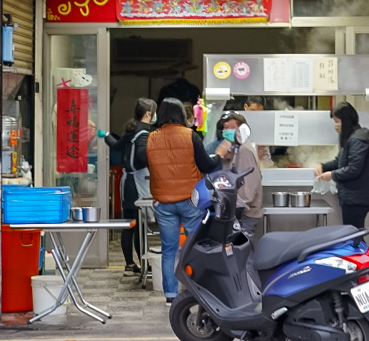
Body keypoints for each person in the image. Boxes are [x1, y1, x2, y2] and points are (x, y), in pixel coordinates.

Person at [146, 97, 227, 304]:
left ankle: (171, 295)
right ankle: (196, 289)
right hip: (190, 201)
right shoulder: (190, 136)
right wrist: (218, 154)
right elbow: (207, 165)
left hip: (163, 201)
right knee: (194, 247)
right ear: (181, 115)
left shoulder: (151, 138)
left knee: (169, 249)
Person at [103, 98, 155, 275]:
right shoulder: (145, 133)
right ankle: (143, 264)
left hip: (128, 183)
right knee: (139, 225)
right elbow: (142, 156)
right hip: (138, 183)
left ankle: (130, 264)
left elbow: (116, 146)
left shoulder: (131, 129)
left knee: (129, 224)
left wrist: (106, 136)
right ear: (148, 114)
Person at [314, 102, 369, 229]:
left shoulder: (357, 140)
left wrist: (332, 175)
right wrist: (323, 166)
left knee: (353, 238)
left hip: (356, 199)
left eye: (337, 121)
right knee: (353, 236)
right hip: (352, 198)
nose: (335, 125)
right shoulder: (350, 138)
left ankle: (361, 250)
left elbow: (354, 169)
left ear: (346, 120)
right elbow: (339, 162)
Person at [217, 113, 263, 244]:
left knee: (243, 251)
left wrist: (238, 203)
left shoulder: (245, 150)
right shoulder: (236, 149)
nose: (227, 131)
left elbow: (250, 183)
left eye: (231, 128)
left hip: (246, 212)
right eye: (225, 128)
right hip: (241, 210)